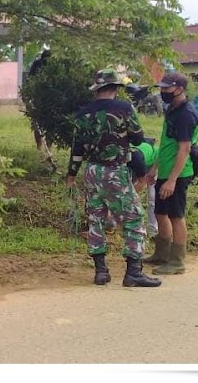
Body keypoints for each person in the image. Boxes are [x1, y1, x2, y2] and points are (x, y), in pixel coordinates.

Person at [66, 68, 161, 288]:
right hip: (115, 170)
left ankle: (101, 271)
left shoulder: (82, 114)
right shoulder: (125, 109)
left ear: (97, 89)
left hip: (92, 171)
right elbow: (137, 138)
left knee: (96, 219)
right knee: (133, 218)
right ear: (116, 88)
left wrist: (71, 175)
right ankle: (134, 272)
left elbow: (77, 149)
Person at [144, 72, 198, 275]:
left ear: (180, 89)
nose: (162, 92)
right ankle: (162, 253)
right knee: (160, 213)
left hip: (178, 173)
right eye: (162, 88)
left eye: (166, 88)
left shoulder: (186, 114)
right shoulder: (172, 110)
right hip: (166, 171)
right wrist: (154, 168)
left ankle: (177, 261)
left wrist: (172, 180)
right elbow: (167, 144)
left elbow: (184, 149)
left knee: (176, 216)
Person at [128, 137, 159, 238]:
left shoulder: (136, 157)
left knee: (152, 198)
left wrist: (127, 196)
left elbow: (142, 182)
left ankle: (153, 231)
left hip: (154, 164)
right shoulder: (121, 156)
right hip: (138, 163)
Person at [25, 49, 52, 151]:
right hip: (38, 99)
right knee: (37, 124)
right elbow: (29, 80)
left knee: (50, 126)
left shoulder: (54, 68)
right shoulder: (37, 64)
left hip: (50, 99)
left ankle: (48, 148)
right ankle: (39, 147)